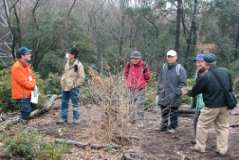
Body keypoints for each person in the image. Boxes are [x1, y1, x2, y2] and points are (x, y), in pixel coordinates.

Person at [185, 53, 232, 156]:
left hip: (211, 106)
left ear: (206, 63)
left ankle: (200, 147)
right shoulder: (226, 72)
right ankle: (222, 149)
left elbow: (195, 91)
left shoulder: (205, 76)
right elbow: (230, 88)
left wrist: (187, 92)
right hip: (225, 105)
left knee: (202, 125)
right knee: (223, 127)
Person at [156, 49, 187, 133]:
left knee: (174, 112)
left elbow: (183, 83)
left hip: (174, 95)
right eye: (168, 56)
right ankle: (164, 127)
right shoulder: (164, 67)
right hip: (164, 94)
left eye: (172, 57)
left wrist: (176, 92)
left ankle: (172, 127)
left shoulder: (180, 68)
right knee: (164, 111)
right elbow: (160, 80)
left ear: (176, 57)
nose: (170, 58)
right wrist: (158, 93)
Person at [58, 48, 85, 125]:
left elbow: (82, 78)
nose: (67, 54)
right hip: (65, 86)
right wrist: (62, 81)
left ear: (73, 55)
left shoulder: (79, 65)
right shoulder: (67, 63)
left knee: (75, 103)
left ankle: (76, 119)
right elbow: (65, 73)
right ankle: (63, 118)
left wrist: (74, 85)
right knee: (64, 103)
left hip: (74, 88)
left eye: (69, 53)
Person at [124, 51, 150, 126]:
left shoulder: (144, 65)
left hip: (140, 88)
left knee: (140, 104)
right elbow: (125, 74)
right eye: (133, 58)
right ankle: (131, 120)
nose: (134, 60)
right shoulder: (128, 65)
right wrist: (129, 82)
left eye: (136, 58)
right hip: (130, 87)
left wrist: (142, 83)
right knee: (130, 104)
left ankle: (140, 121)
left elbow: (147, 77)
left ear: (140, 58)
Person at [11, 47, 36, 123]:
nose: (30, 55)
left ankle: (23, 129)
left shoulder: (26, 66)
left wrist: (33, 83)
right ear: (22, 56)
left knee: (28, 113)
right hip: (22, 95)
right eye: (28, 54)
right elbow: (25, 83)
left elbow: (33, 78)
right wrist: (33, 85)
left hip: (28, 94)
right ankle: (21, 129)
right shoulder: (17, 67)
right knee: (26, 112)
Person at [191, 54, 205, 144]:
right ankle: (196, 138)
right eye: (197, 62)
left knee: (202, 122)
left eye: (200, 62)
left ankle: (200, 140)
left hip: (206, 102)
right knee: (196, 120)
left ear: (205, 62)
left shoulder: (206, 72)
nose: (198, 64)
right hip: (199, 101)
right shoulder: (198, 72)